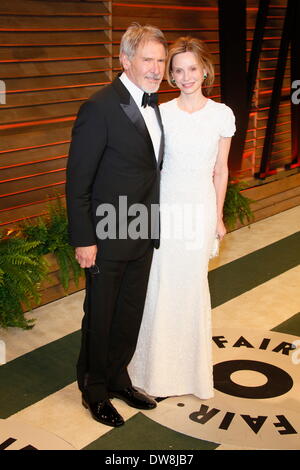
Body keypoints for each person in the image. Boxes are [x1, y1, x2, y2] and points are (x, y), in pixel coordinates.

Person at [66, 23, 167, 427]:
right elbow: (78, 181)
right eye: (148, 59)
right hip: (107, 234)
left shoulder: (154, 101)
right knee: (101, 315)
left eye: (161, 60)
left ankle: (117, 377)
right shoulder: (99, 106)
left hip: (143, 229)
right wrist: (84, 238)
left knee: (129, 313)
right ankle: (93, 390)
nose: (156, 68)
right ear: (125, 59)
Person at [129, 37, 236, 399]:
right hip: (167, 209)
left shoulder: (221, 115)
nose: (185, 76)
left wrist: (218, 216)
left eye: (192, 68)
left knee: (189, 290)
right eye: (177, 70)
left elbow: (221, 171)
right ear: (171, 75)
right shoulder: (163, 112)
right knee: (159, 288)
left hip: (200, 209)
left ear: (205, 69)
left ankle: (189, 376)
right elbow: (151, 169)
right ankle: (152, 374)